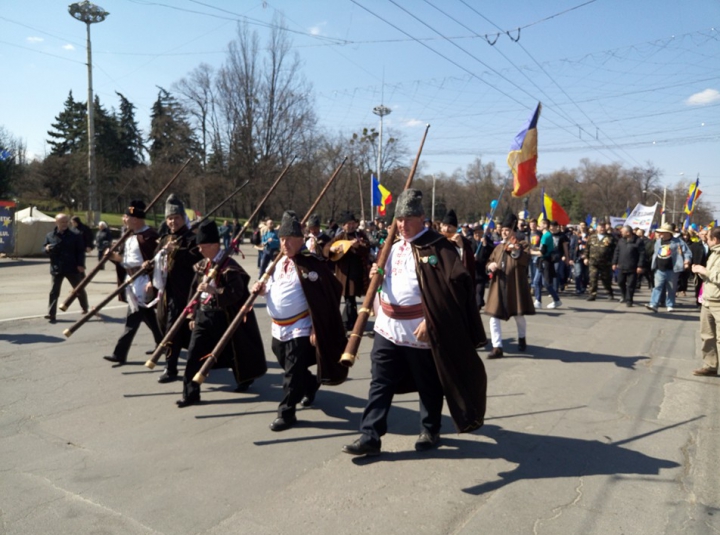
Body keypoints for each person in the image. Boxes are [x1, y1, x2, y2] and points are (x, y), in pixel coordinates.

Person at [342, 189, 488, 457]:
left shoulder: (439, 248)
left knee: (428, 383)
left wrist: (433, 320)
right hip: (387, 327)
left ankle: (430, 429)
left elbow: (456, 288)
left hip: (420, 329)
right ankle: (370, 435)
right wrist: (378, 273)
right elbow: (388, 281)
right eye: (399, 219)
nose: (402, 225)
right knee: (380, 381)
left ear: (423, 218)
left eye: (408, 219)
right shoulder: (393, 247)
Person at [253, 211, 348, 431]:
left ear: (300, 240)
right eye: (282, 239)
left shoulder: (311, 264)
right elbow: (275, 288)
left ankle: (286, 413)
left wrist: (317, 326)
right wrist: (262, 290)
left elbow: (329, 293)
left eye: (289, 239)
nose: (284, 243)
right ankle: (310, 384)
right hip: (278, 327)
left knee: (292, 371)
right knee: (282, 359)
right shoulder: (277, 262)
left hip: (300, 327)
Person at [178, 220, 266, 407]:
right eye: (199, 246)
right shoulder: (202, 265)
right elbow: (193, 292)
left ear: (215, 245)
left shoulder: (229, 266)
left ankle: (244, 378)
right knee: (193, 354)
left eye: (203, 247)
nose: (200, 250)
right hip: (203, 315)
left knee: (233, 350)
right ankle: (190, 394)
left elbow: (237, 293)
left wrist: (214, 291)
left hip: (224, 316)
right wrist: (192, 314)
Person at [103, 201, 163, 366]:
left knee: (133, 318)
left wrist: (152, 281)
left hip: (143, 281)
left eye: (127, 217)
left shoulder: (150, 236)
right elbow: (126, 261)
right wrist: (113, 257)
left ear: (136, 219)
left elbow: (157, 261)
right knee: (148, 315)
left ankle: (119, 353)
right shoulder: (129, 235)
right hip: (131, 280)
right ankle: (162, 342)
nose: (124, 219)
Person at [151, 194, 202, 383]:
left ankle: (170, 368)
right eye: (170, 218)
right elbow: (156, 260)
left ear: (183, 219)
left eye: (176, 218)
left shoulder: (191, 239)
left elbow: (195, 261)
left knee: (174, 330)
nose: (173, 222)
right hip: (166, 293)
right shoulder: (165, 238)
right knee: (168, 327)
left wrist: (176, 252)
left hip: (185, 293)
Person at [484, 213, 535, 358]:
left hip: (515, 286)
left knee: (518, 316)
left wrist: (515, 251)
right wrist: (490, 266)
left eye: (507, 230)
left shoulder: (522, 244)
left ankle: (522, 338)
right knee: (494, 317)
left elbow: (524, 260)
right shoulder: (498, 247)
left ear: (513, 231)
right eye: (503, 230)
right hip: (498, 286)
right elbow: (489, 262)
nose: (504, 232)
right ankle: (497, 347)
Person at [325, 211, 371, 331]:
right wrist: (332, 248)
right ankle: (349, 321)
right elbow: (326, 249)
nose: (350, 226)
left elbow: (367, 248)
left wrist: (358, 247)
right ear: (343, 225)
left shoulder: (360, 235)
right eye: (348, 224)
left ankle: (348, 321)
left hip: (355, 273)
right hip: (343, 274)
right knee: (348, 299)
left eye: (352, 223)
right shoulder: (340, 237)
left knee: (351, 299)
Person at [43, 213, 88, 322]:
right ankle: (51, 313)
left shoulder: (75, 234)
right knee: (54, 291)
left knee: (79, 289)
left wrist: (81, 265)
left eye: (66, 222)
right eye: (62, 222)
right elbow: (44, 248)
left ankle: (84, 307)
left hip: (72, 267)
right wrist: (47, 249)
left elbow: (80, 251)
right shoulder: (50, 235)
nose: (64, 224)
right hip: (57, 267)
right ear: (56, 222)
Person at [691, 226, 720, 376]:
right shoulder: (713, 253)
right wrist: (701, 272)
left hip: (718, 302)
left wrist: (705, 271)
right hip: (708, 300)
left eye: (707, 237)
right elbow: (711, 276)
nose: (705, 240)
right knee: (707, 336)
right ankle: (710, 365)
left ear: (715, 239)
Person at [645, 223, 692, 313]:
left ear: (669, 233)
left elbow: (687, 252)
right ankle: (654, 304)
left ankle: (670, 305)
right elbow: (655, 253)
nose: (660, 234)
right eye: (660, 232)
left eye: (663, 232)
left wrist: (686, 261)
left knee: (671, 288)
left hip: (672, 269)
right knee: (657, 287)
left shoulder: (678, 241)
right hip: (659, 268)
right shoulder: (658, 241)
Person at [611, 225, 646, 307]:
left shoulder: (638, 241)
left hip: (633, 267)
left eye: (622, 231)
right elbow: (617, 252)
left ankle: (629, 300)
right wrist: (614, 263)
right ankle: (624, 295)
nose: (621, 233)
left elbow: (642, 254)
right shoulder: (621, 241)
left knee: (631, 285)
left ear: (628, 232)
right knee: (620, 282)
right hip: (621, 266)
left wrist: (640, 266)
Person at [531, 219, 562, 309]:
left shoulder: (546, 236)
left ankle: (556, 300)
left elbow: (542, 252)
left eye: (540, 224)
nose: (538, 226)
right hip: (542, 261)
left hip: (545, 261)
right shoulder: (545, 235)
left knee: (546, 283)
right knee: (536, 281)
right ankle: (538, 301)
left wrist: (531, 252)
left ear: (545, 225)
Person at [440, 209, 476, 285]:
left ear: (455, 228)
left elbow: (468, 264)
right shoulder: (437, 241)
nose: (446, 229)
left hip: (457, 282)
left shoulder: (464, 242)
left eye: (449, 226)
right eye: (445, 226)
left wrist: (461, 247)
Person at [584, 221, 617, 301]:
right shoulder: (592, 237)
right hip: (593, 262)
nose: (602, 228)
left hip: (605, 263)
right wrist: (586, 257)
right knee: (593, 279)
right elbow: (587, 248)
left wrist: (614, 261)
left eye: (603, 227)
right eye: (600, 226)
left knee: (606, 279)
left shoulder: (610, 238)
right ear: (597, 228)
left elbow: (615, 250)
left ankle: (609, 293)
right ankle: (592, 294)